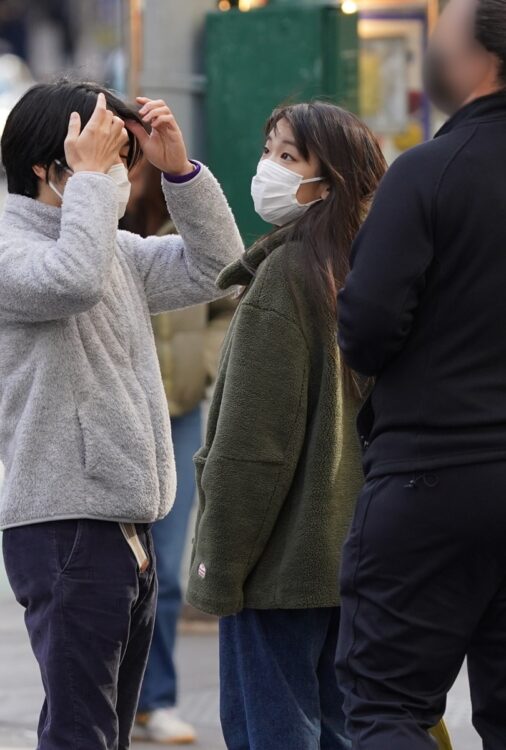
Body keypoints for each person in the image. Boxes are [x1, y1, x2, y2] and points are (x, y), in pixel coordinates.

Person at [0, 80, 243, 750]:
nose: (117, 181)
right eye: (105, 160)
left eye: (120, 164)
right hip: (63, 527)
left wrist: (180, 173)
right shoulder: (12, 248)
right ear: (49, 171)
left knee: (104, 733)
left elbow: (222, 270)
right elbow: (71, 280)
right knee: (81, 733)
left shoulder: (113, 251)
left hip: (125, 522)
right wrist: (92, 180)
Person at [186, 101, 386, 750]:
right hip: (354, 556)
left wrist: (221, 566)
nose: (266, 168)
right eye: (269, 150)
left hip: (277, 567)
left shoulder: (284, 278)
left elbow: (251, 449)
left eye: (288, 157)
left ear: (327, 184)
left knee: (269, 731)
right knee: (340, 730)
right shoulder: (370, 274)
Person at [335, 0, 506, 747]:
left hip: (434, 474)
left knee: (386, 705)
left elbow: (366, 330)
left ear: (481, 58)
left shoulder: (429, 173)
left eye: (441, 35)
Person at [121, 157, 236, 745]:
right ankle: (114, 692)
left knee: (165, 562)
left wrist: (208, 361)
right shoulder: (101, 227)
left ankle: (155, 698)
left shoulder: (182, 234)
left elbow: (228, 298)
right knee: (107, 566)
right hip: (119, 415)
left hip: (181, 414)